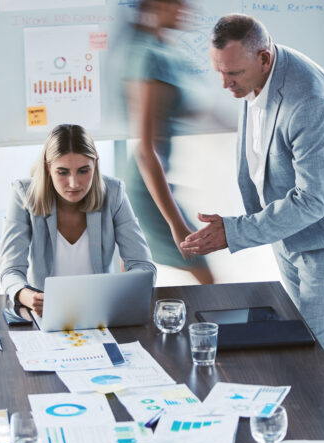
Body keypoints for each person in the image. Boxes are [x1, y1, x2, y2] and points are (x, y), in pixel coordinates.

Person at [180, 14, 324, 379]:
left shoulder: (309, 102)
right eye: (219, 72)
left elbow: (311, 200)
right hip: (294, 234)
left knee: (319, 360)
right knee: (297, 337)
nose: (225, 84)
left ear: (264, 58)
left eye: (234, 74)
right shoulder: (252, 74)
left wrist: (234, 231)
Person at [0, 124, 156, 317]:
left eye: (83, 171)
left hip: (101, 310)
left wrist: (120, 294)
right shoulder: (23, 193)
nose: (74, 183)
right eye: (63, 172)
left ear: (96, 164)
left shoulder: (114, 193)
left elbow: (143, 265)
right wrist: (27, 296)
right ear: (48, 168)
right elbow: (11, 270)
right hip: (46, 312)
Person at [115, 0, 214, 285]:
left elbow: (178, 108)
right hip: (146, 183)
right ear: (157, 5)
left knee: (132, 275)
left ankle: (123, 325)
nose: (186, 8)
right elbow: (148, 150)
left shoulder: (162, 51)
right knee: (201, 266)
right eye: (177, 3)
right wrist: (176, 223)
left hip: (150, 179)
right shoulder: (150, 56)